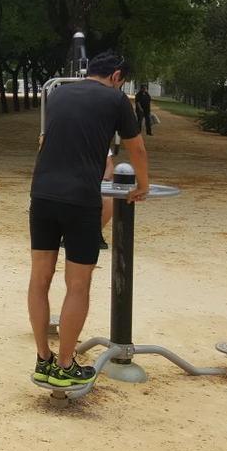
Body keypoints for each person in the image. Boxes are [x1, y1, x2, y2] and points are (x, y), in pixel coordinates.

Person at [28, 52, 148, 388]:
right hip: (80, 199)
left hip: (42, 195)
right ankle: (66, 364)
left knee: (40, 279)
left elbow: (45, 142)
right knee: (77, 284)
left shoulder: (58, 94)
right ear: (117, 75)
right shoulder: (116, 99)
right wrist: (144, 184)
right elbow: (136, 148)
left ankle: (43, 359)